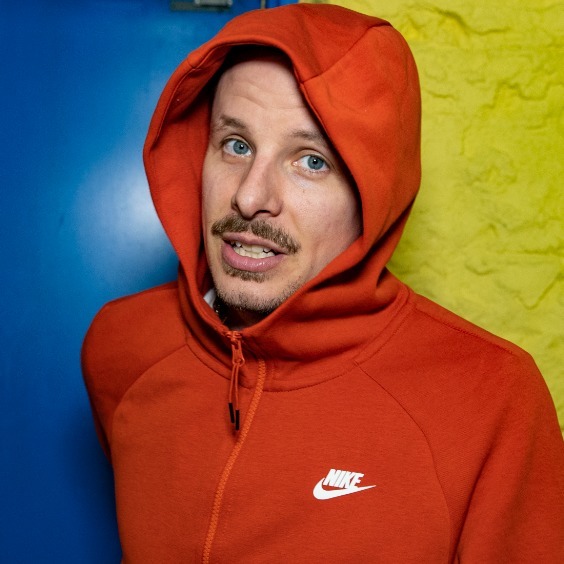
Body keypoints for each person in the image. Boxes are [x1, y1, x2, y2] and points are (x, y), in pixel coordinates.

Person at [82, 4, 564, 562]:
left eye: (311, 161)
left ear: (375, 191)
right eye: (236, 145)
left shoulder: (490, 399)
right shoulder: (122, 346)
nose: (249, 197)